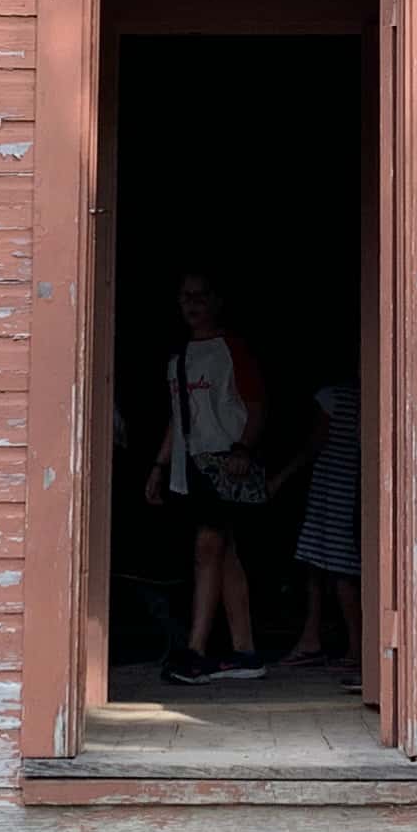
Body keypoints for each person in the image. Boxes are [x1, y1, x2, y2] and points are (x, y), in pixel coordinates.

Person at [148, 270, 271, 686]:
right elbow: (177, 416)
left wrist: (244, 449)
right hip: (190, 468)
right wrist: (160, 467)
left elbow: (255, 405)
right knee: (225, 553)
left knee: (208, 547)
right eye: (185, 296)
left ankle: (196, 651)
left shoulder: (232, 349)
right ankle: (245, 651)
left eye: (201, 295)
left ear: (217, 301)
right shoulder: (178, 356)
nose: (192, 303)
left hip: (224, 463)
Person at [281, 381, 363, 670]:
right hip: (346, 487)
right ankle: (312, 638)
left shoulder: (331, 397)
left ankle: (356, 647)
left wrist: (279, 478)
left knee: (341, 569)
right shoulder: (363, 393)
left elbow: (313, 446)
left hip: (335, 487)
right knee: (318, 563)